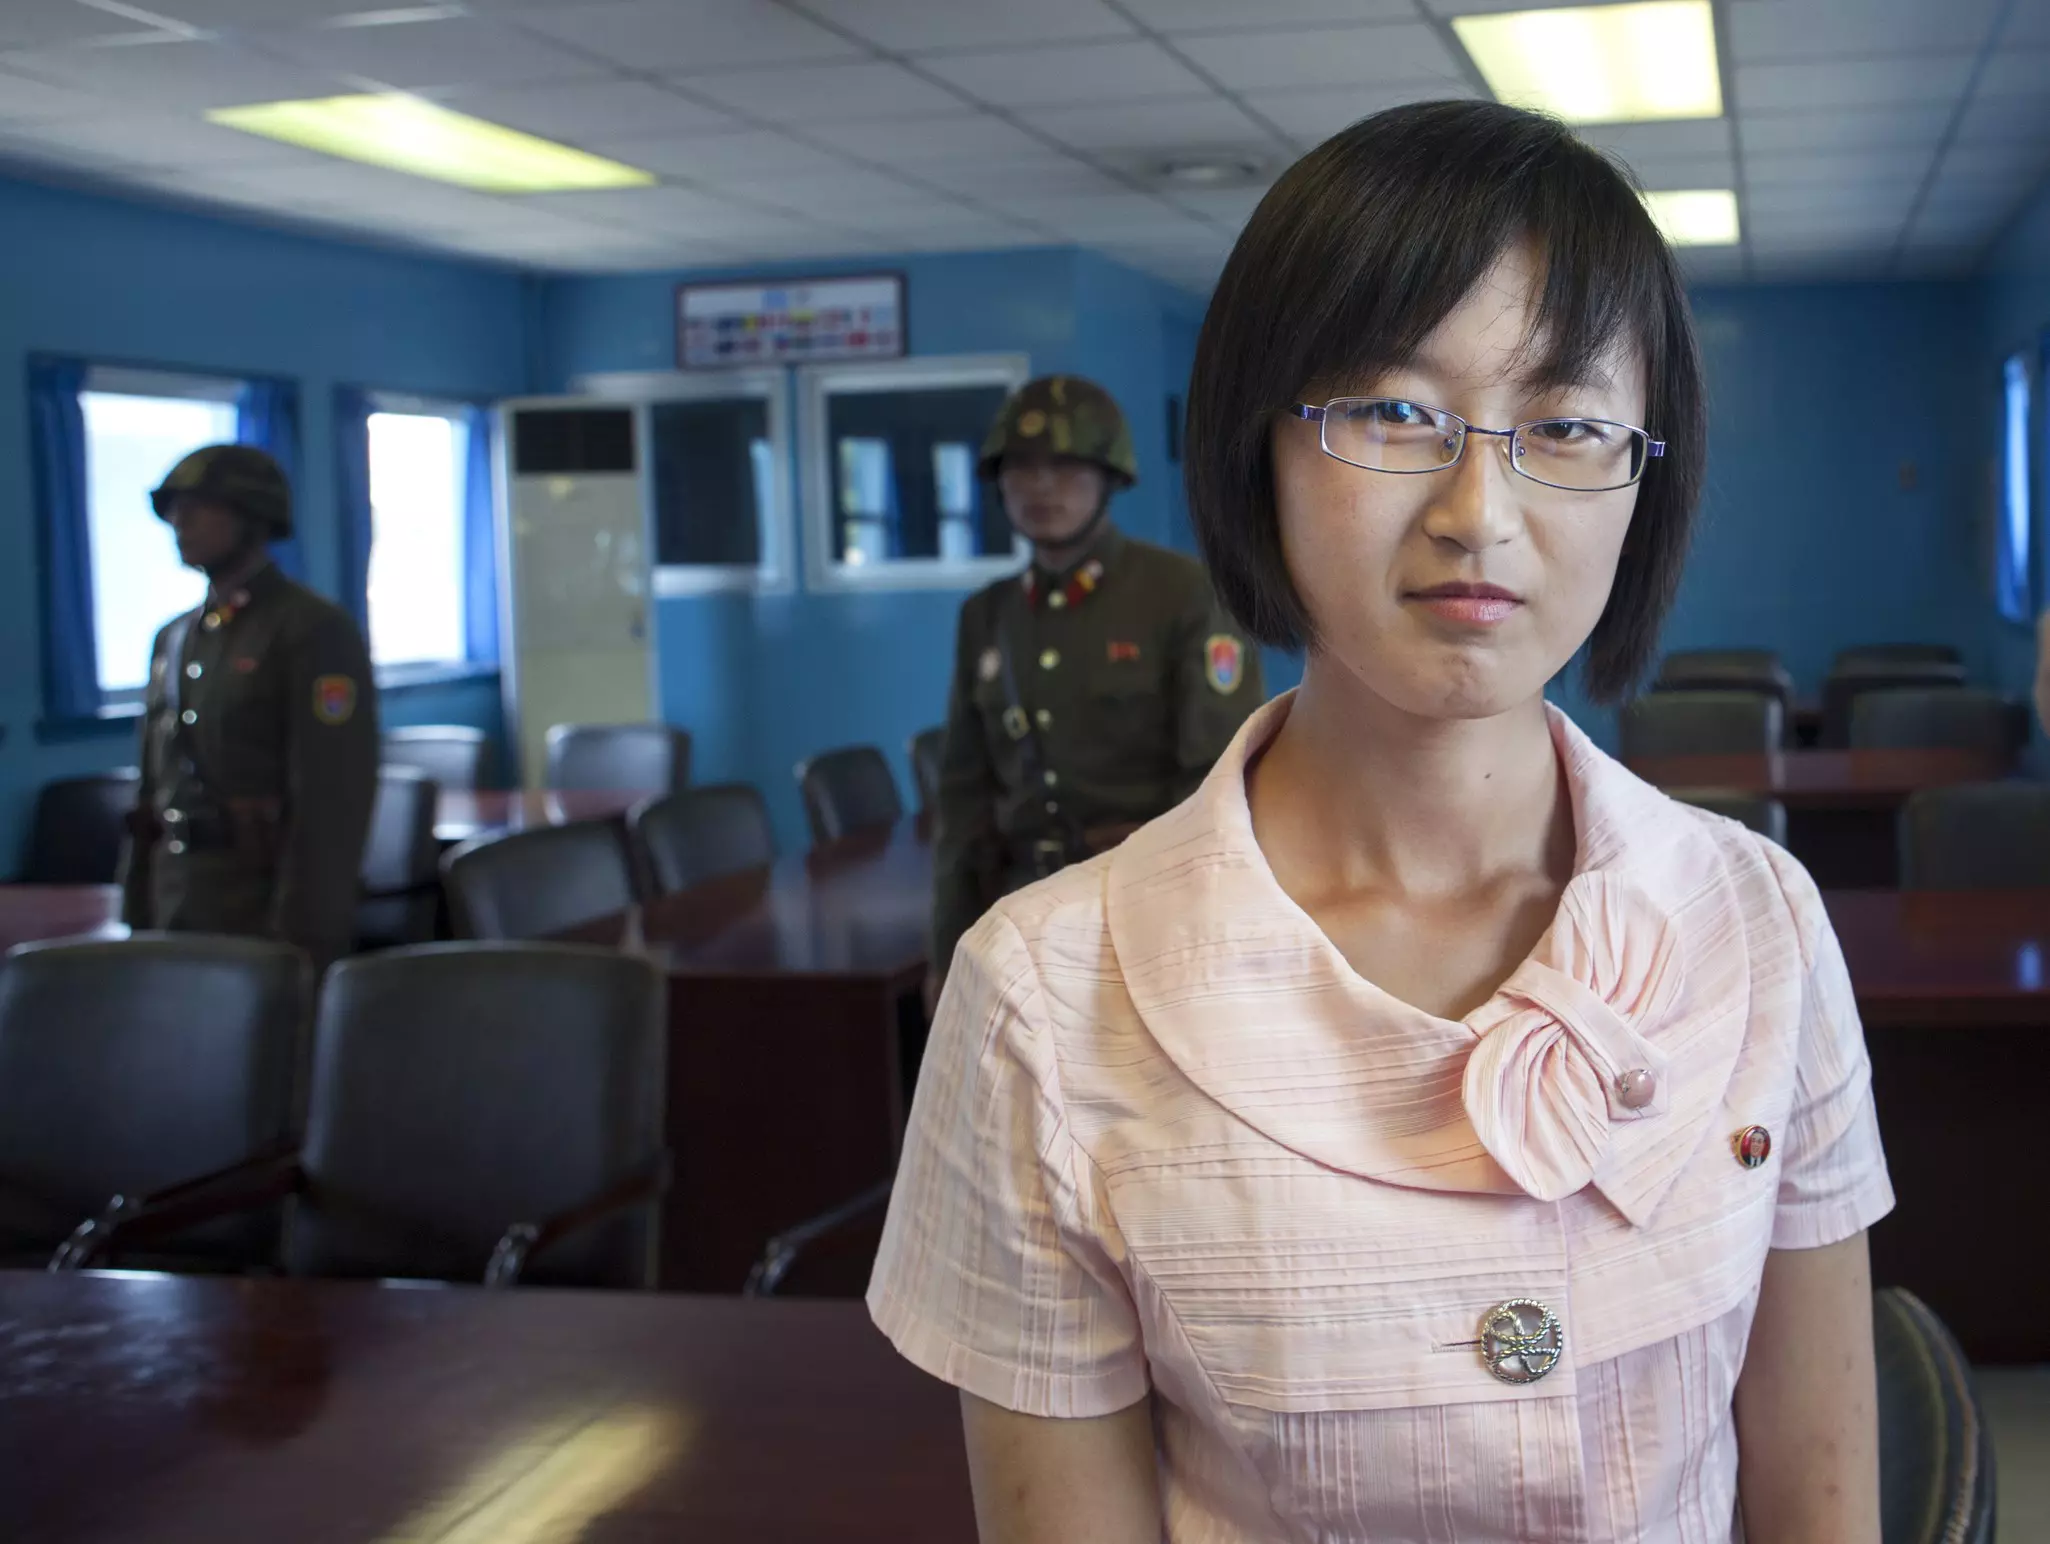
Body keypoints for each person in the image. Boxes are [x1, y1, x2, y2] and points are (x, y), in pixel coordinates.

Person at [869, 101, 1891, 1544]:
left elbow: (1816, 1503)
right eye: (1392, 411)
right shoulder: (1038, 1001)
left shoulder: (1761, 919)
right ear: (1255, 450)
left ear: (1642, 476)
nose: (1479, 510)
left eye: (1568, 425)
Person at [928, 374, 1263, 1005]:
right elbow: (963, 804)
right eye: (1021, 468)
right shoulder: (987, 616)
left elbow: (1218, 781)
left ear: (1109, 476)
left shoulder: (1183, 594)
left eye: (1066, 465)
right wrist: (947, 954)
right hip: (1018, 918)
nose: (1042, 486)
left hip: (1147, 912)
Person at [120, 445, 379, 974]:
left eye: (199, 506)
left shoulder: (310, 629)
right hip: (179, 895)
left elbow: (331, 801)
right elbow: (153, 787)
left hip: (261, 905)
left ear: (251, 517)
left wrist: (306, 933)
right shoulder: (175, 638)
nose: (179, 521)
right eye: (174, 509)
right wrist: (138, 905)